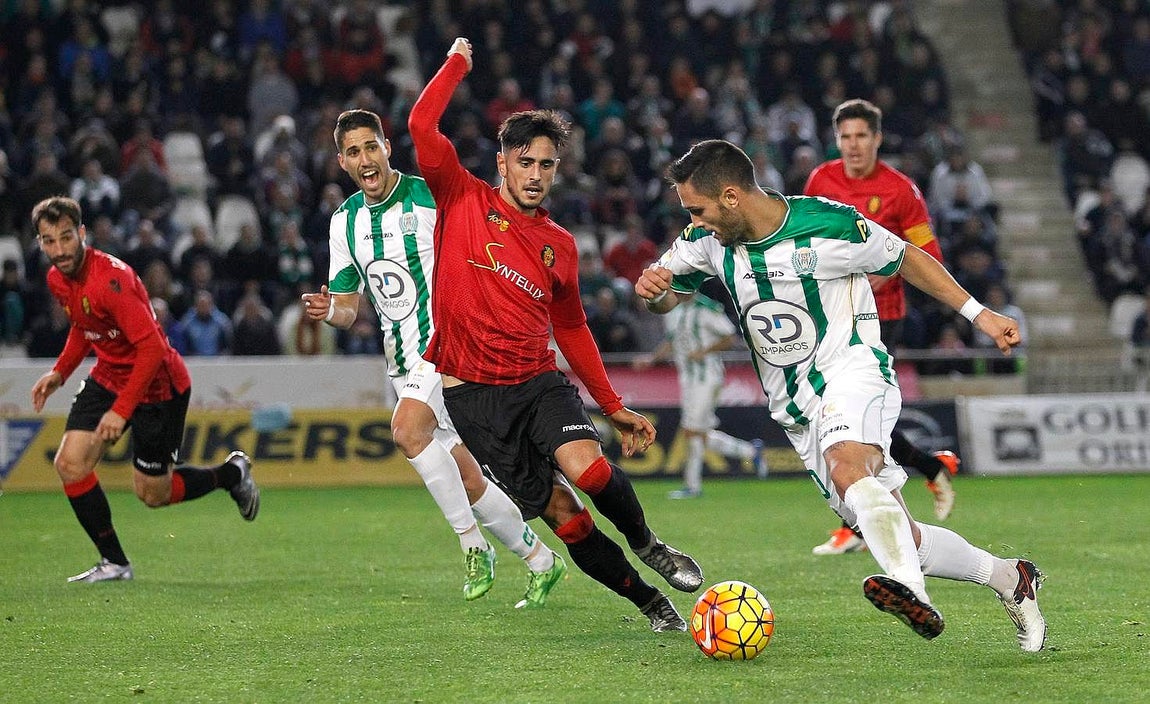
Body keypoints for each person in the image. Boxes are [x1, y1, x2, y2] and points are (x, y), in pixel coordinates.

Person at [637, 139, 1046, 652]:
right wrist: (656, 294)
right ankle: (1012, 578)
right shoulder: (708, 241)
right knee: (902, 537)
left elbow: (906, 258)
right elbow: (672, 293)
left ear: (733, 196)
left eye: (698, 209)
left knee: (848, 465)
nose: (693, 221)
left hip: (852, 370)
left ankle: (910, 592)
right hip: (795, 406)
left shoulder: (828, 224)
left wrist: (979, 315)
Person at [408, 38, 703, 633]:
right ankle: (648, 602)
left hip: (537, 383)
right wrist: (459, 63)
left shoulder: (560, 246)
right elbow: (420, 121)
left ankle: (649, 543)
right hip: (471, 400)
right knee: (568, 520)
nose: (537, 175)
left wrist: (613, 405)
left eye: (547, 165)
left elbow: (572, 329)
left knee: (590, 470)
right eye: (526, 162)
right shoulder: (460, 197)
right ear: (504, 162)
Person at [300, 109, 566, 607]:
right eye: (353, 152)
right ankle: (541, 561)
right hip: (399, 361)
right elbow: (347, 310)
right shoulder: (344, 221)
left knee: (406, 431)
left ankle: (472, 546)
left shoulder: (430, 197)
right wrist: (325, 310)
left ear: (387, 148)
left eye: (372, 146)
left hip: (447, 347)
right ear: (342, 162)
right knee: (464, 475)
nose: (365, 158)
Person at [29, 196, 258, 584]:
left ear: (82, 234)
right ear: (40, 243)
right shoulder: (57, 278)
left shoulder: (112, 280)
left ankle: (232, 475)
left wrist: (121, 410)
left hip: (158, 385)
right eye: (49, 241)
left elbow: (151, 349)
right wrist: (60, 372)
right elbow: (85, 326)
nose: (59, 249)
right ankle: (115, 563)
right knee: (69, 463)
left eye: (66, 237)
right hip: (110, 374)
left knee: (153, 494)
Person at [803, 98, 959, 556]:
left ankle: (859, 524)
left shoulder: (900, 191)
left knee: (851, 418)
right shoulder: (821, 180)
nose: (853, 146)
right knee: (851, 419)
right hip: (830, 314)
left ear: (877, 139)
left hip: (880, 319)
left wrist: (886, 270)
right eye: (845, 137)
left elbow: (930, 256)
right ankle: (930, 468)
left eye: (861, 136)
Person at [632, 291, 767, 498]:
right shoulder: (672, 310)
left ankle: (692, 486)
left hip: (707, 377)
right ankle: (750, 451)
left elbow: (730, 337)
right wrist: (651, 359)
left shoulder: (708, 308)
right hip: (687, 378)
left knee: (691, 430)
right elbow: (671, 341)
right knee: (697, 432)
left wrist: (704, 351)